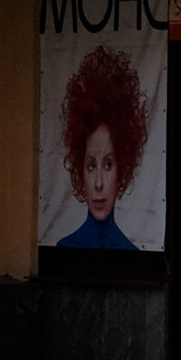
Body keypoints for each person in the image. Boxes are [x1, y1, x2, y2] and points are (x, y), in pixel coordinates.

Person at [51, 43, 148, 250]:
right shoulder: (65, 248)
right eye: (91, 166)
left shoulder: (130, 253)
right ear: (79, 170)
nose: (98, 184)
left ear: (123, 168)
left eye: (108, 164)